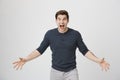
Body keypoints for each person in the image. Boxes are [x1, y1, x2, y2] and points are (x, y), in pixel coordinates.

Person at [13, 10, 110, 80]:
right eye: (59, 19)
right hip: (55, 72)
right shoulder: (49, 34)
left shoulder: (75, 34)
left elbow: (85, 51)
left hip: (71, 72)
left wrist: (98, 60)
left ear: (68, 20)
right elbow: (40, 50)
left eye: (64, 19)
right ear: (56, 21)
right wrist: (26, 59)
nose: (61, 21)